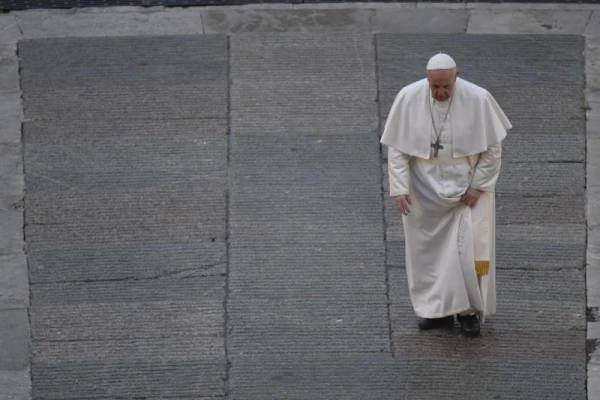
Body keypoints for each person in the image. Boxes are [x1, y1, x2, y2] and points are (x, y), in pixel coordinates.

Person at [380, 53, 512, 337]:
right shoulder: (408, 97)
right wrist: (400, 188)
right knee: (427, 256)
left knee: (465, 253)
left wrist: (478, 186)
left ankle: (467, 313)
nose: (440, 93)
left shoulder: (478, 98)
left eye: (445, 87)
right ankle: (435, 311)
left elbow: (492, 149)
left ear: (456, 77)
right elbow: (398, 150)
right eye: (434, 87)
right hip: (424, 192)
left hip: (467, 192)